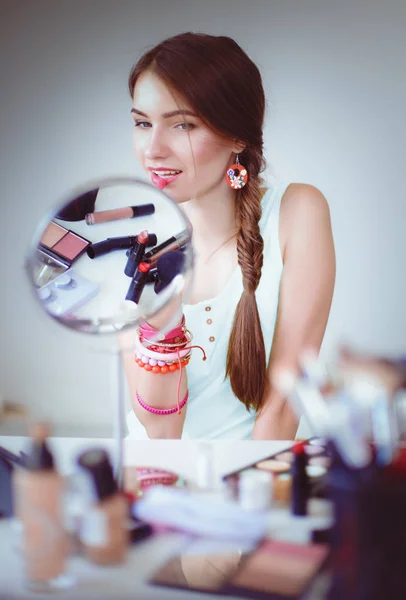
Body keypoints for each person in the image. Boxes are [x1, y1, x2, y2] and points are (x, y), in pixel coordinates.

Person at [121, 32, 336, 440]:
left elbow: (281, 408)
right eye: (142, 123)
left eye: (182, 124)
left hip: (253, 483)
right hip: (154, 481)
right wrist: (159, 329)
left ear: (238, 136)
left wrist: (241, 499)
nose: (153, 149)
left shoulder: (296, 214)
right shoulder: (134, 243)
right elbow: (162, 431)